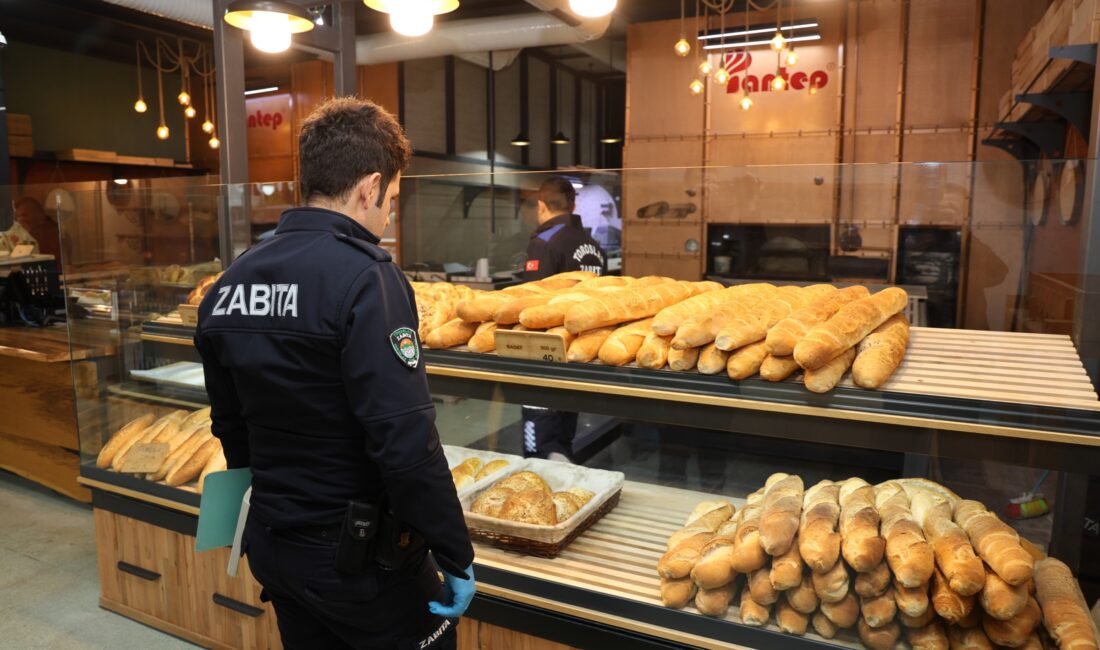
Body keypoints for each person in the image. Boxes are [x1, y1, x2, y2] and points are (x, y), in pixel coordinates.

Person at [194, 97, 474, 650]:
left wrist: (258, 519)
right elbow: (404, 439)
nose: (389, 213)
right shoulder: (368, 279)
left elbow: (229, 428)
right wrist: (454, 552)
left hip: (275, 546)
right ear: (369, 187)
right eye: (392, 198)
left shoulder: (229, 283)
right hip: (358, 559)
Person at [521, 177, 607, 462]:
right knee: (565, 430)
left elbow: (532, 304)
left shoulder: (544, 242)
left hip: (544, 353)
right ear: (572, 205)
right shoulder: (593, 245)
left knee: (541, 444)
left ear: (541, 206)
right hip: (579, 351)